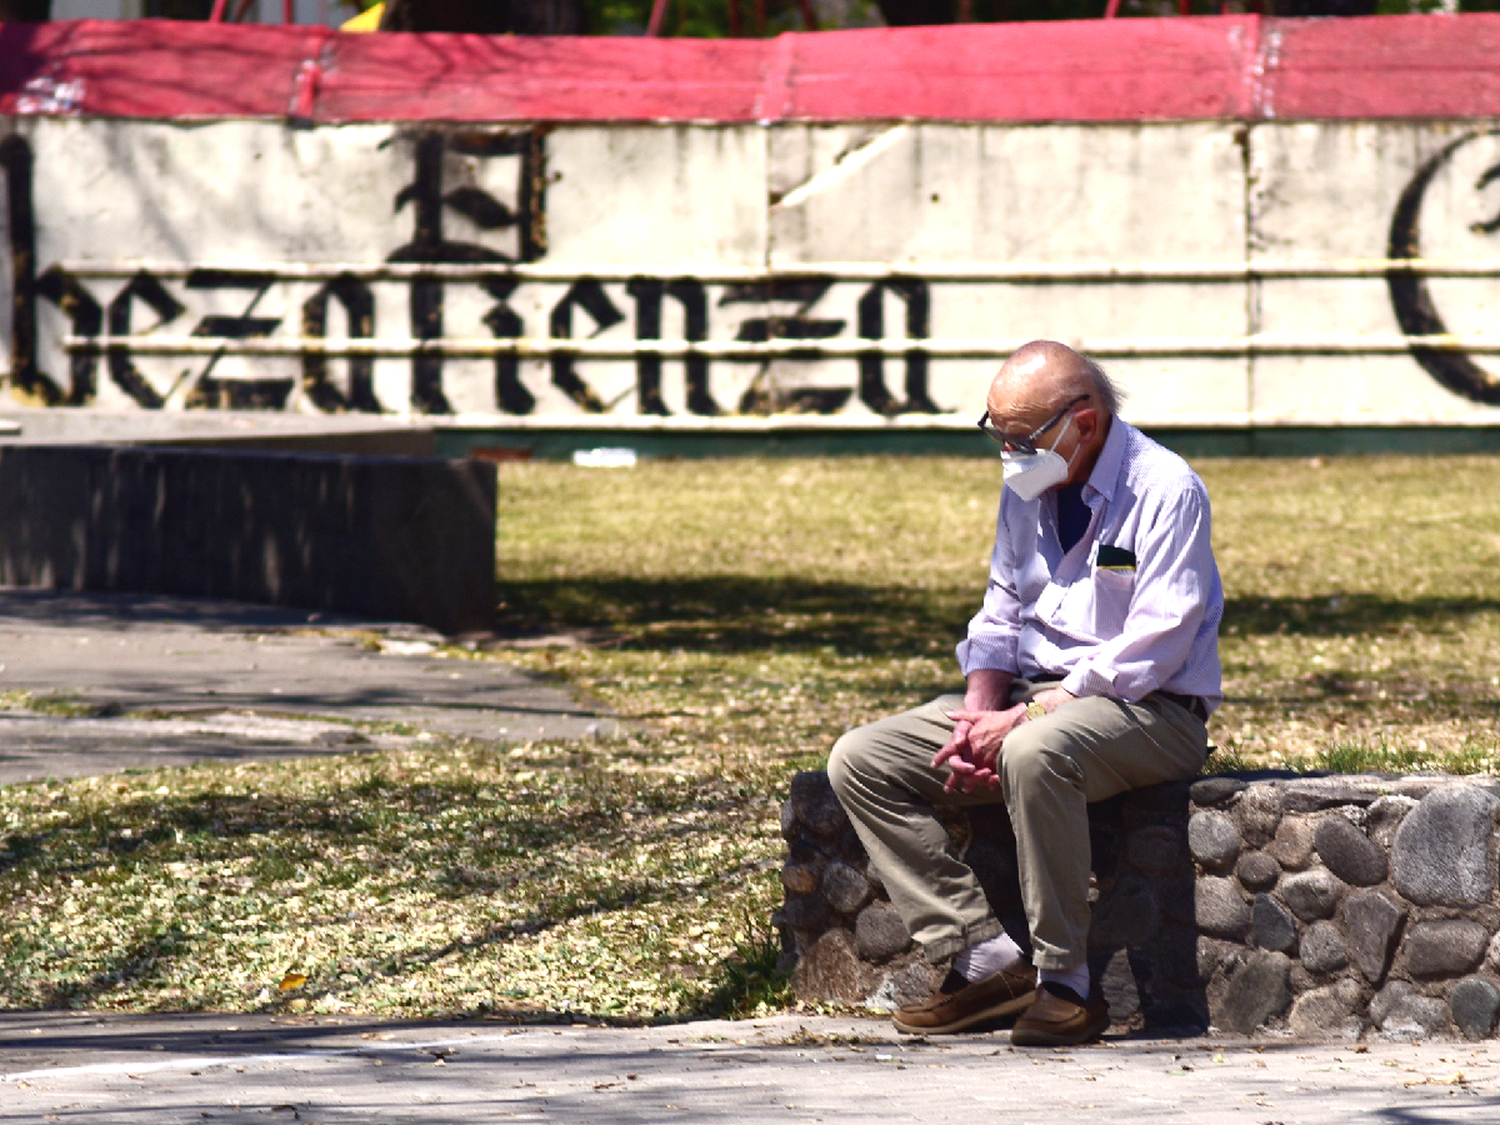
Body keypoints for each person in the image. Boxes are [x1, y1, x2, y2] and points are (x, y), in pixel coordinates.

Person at [827, 340, 1222, 1047]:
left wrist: (1025, 716)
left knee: (1036, 752)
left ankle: (1067, 986)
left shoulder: (1167, 489)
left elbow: (1153, 647)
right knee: (861, 758)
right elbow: (1000, 612)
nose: (1008, 455)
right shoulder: (1031, 486)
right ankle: (983, 957)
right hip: (1027, 702)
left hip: (1149, 709)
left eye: (1020, 439)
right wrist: (978, 714)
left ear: (1087, 422)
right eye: (998, 434)